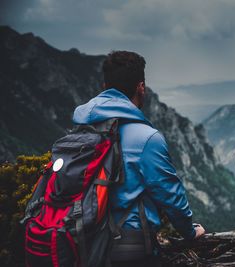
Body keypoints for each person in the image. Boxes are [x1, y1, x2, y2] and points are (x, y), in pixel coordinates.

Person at [72, 50, 205, 266]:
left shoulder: (81, 130)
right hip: (128, 247)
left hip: (84, 240)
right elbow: (171, 195)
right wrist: (190, 231)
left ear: (105, 87)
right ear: (141, 87)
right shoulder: (146, 138)